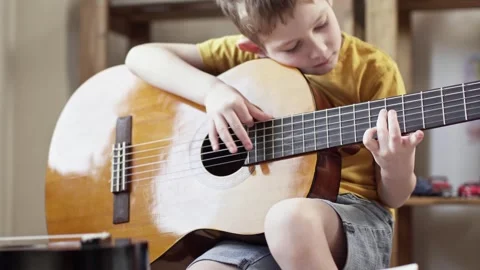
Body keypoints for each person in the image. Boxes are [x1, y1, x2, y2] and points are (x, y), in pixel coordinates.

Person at [124, 0, 424, 269]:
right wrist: (212, 92)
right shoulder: (245, 59)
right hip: (250, 222)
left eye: (321, 24)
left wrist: (396, 163)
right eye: (292, 47)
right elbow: (141, 56)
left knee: (288, 220)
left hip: (353, 218)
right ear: (257, 50)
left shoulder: (373, 70)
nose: (319, 48)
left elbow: (394, 197)